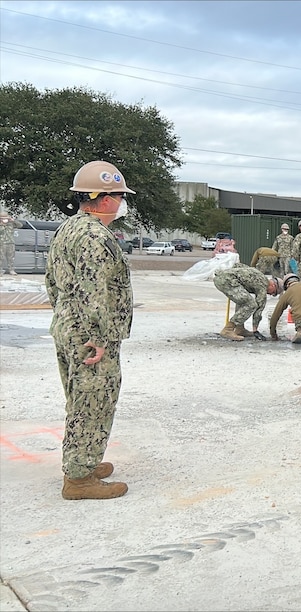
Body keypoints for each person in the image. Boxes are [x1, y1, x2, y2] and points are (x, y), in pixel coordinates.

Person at [45, 160, 134, 500]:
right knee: (94, 400)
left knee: (80, 398)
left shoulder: (68, 228)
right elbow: (94, 290)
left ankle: (84, 460)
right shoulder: (96, 236)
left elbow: (52, 282)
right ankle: (79, 479)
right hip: (89, 334)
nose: (122, 203)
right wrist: (97, 338)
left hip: (68, 324)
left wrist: (66, 320)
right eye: (120, 196)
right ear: (107, 198)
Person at [213, 262, 280, 341]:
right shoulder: (263, 285)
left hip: (223, 277)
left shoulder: (259, 275)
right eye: (273, 293)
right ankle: (228, 330)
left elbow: (237, 265)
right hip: (227, 281)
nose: (270, 294)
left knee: (243, 300)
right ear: (273, 285)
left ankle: (240, 329)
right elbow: (259, 308)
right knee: (250, 304)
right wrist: (255, 330)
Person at [0, 211, 21, 275]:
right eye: (3, 218)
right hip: (1, 243)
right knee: (1, 257)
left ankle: (11, 270)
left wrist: (13, 220)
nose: (5, 219)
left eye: (6, 218)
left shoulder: (11, 224)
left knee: (11, 258)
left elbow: (20, 225)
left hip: (10, 243)